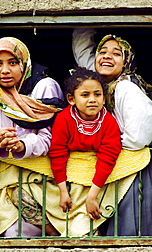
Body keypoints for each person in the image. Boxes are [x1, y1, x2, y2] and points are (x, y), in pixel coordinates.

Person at [72, 28, 152, 236]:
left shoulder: (125, 88)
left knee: (132, 223)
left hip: (141, 161)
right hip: (122, 159)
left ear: (126, 62)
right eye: (102, 51)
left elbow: (137, 139)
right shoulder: (104, 86)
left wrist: (101, 146)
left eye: (116, 53)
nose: (106, 56)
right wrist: (84, 18)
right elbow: (82, 51)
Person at [0, 37, 64, 238]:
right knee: (14, 235)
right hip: (0, 183)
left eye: (12, 63)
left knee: (59, 231)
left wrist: (23, 145)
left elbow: (52, 136)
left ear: (24, 64)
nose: (5, 70)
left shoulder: (44, 87)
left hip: (39, 180)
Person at [48, 67, 122, 221]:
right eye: (85, 95)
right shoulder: (63, 120)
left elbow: (108, 158)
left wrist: (92, 197)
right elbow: (57, 153)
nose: (92, 100)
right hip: (66, 181)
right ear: (71, 99)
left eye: (97, 94)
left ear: (104, 98)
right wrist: (62, 191)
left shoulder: (109, 123)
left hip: (97, 183)